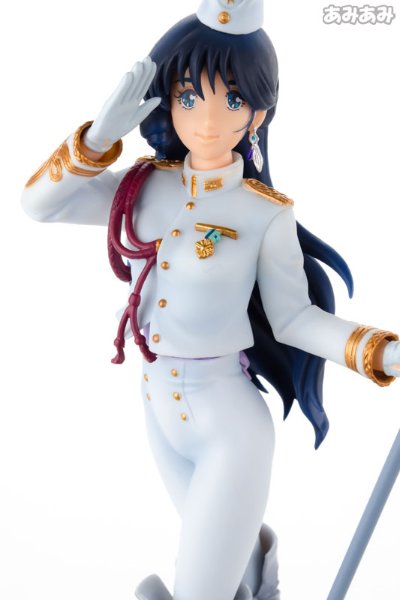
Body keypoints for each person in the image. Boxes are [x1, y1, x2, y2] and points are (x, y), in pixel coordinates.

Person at [21, 2, 400, 599]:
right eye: (190, 96)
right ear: (168, 101)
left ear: (258, 113)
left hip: (228, 426)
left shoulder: (263, 213)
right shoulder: (139, 187)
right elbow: (39, 206)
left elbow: (295, 318)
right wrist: (97, 138)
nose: (207, 119)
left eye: (233, 99)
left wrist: (380, 352)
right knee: (229, 574)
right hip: (157, 406)